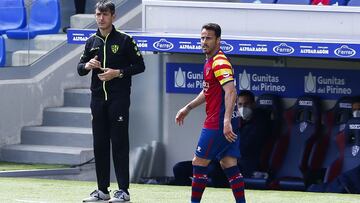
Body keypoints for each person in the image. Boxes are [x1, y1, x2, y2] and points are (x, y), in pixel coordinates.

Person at [77, 0, 145, 202]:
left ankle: (123, 191)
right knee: (99, 145)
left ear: (113, 16)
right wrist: (88, 65)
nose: (101, 18)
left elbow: (140, 65)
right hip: (97, 100)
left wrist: (118, 73)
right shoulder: (91, 41)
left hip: (119, 100)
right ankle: (102, 190)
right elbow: (80, 69)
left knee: (119, 144)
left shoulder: (124, 40)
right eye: (98, 14)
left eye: (105, 14)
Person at [175, 23, 245, 203]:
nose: (204, 42)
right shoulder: (210, 61)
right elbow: (208, 91)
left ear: (218, 40)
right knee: (228, 163)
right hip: (225, 122)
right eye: (202, 38)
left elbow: (231, 91)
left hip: (217, 123)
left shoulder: (220, 62)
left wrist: (226, 121)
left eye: (209, 38)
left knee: (198, 163)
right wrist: (188, 108)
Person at [172, 90, 271, 188]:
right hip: (216, 161)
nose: (243, 108)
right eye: (240, 104)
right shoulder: (232, 122)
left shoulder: (259, 125)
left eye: (246, 104)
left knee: (215, 170)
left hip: (239, 165)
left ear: (253, 105)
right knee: (179, 168)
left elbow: (242, 147)